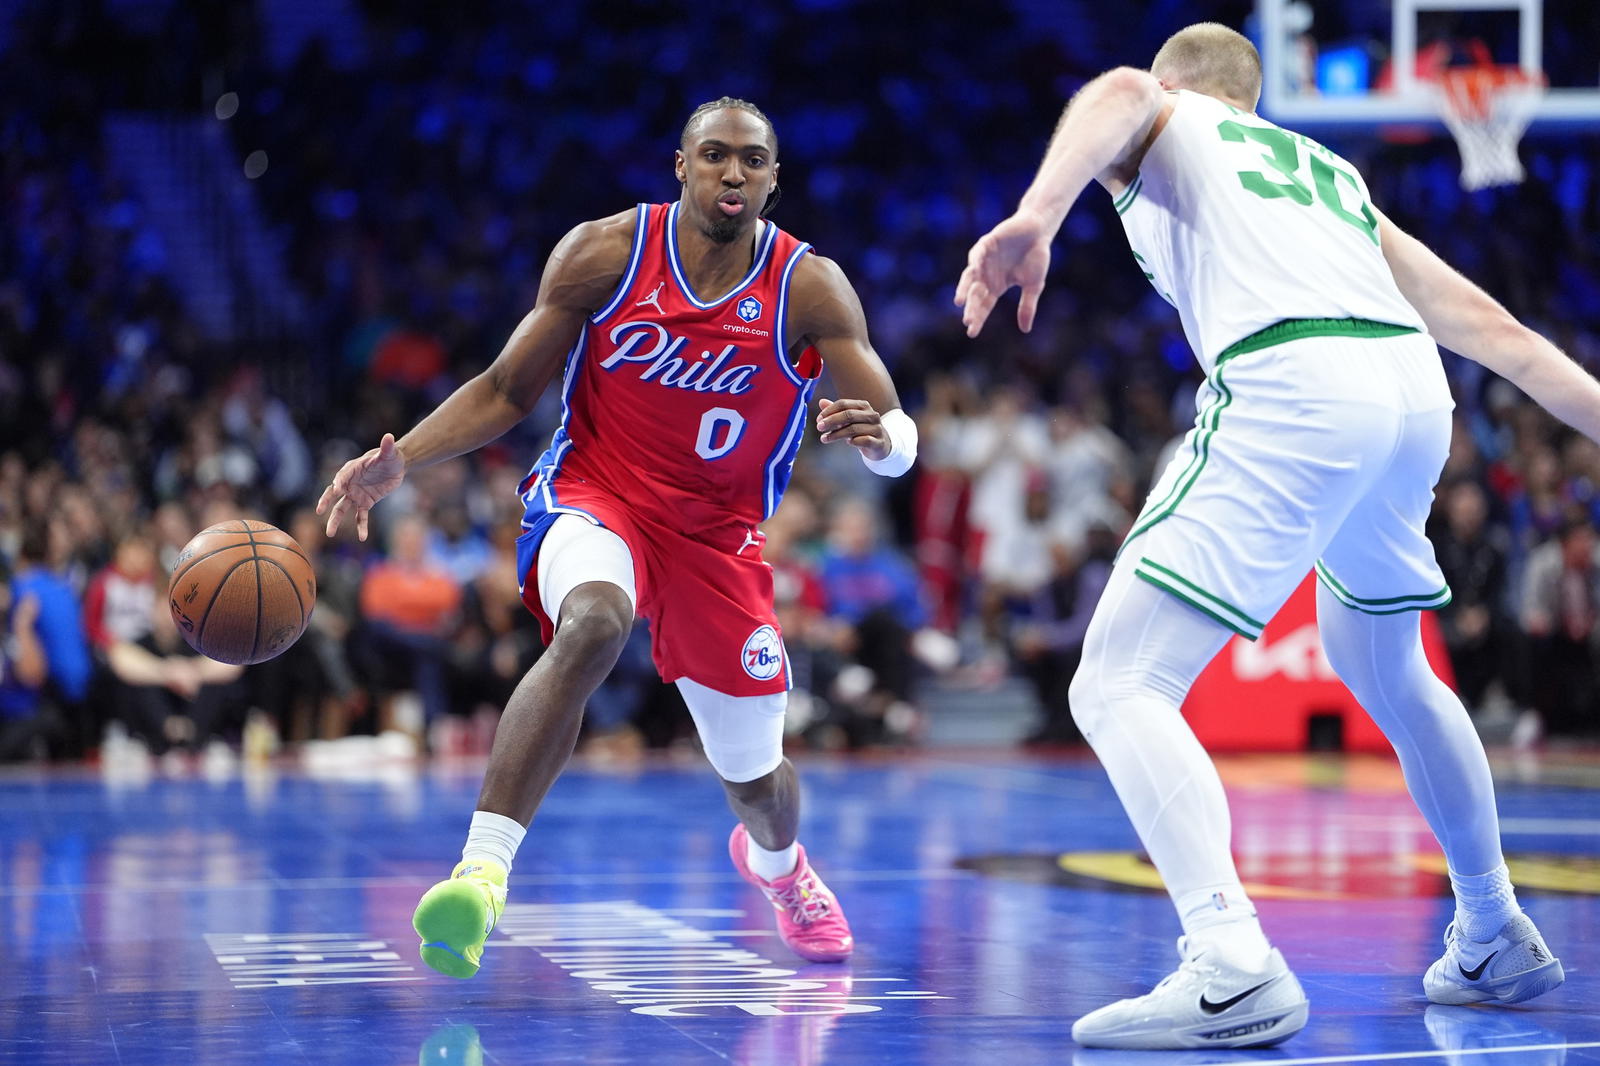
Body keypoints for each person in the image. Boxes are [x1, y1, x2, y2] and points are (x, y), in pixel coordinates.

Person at [957, 22, 1580, 1049]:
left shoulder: (1170, 118)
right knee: (1385, 666)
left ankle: (1230, 963)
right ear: (1256, 97)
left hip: (1297, 381)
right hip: (1412, 396)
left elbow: (1119, 88)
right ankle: (1491, 927)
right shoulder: (1330, 175)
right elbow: (1497, 332)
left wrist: (1037, 214)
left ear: (1184, 87)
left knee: (1117, 681)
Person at [317, 97, 916, 979]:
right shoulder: (605, 252)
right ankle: (480, 876)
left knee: (760, 788)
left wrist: (883, 443)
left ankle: (781, 868)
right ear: (681, 165)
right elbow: (506, 388)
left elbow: (897, 428)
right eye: (715, 155)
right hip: (597, 495)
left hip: (718, 539)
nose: (733, 173)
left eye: (752, 160)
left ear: (773, 180)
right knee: (594, 621)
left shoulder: (808, 285)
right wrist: (401, 459)